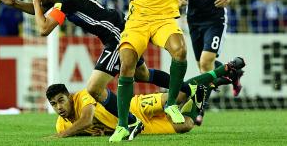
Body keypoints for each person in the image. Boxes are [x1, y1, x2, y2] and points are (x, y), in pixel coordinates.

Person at [60, 0, 263, 142]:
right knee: (128, 65)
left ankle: (172, 104)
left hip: (164, 20)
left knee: (180, 51)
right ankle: (123, 125)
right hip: (137, 21)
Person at [0, 0, 197, 127]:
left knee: (94, 89)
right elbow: (42, 12)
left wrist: (34, 0)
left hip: (117, 35)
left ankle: (132, 122)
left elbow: (44, 28)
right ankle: (191, 88)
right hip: (119, 27)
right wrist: (16, 3)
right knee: (141, 75)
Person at [46, 57, 245, 139]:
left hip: (133, 108)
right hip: (138, 127)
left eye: (61, 100)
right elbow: (84, 131)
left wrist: (60, 138)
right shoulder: (61, 125)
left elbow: (86, 120)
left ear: (70, 97)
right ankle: (210, 85)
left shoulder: (82, 97)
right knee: (186, 125)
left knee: (179, 96)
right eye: (54, 104)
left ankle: (222, 69)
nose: (58, 107)